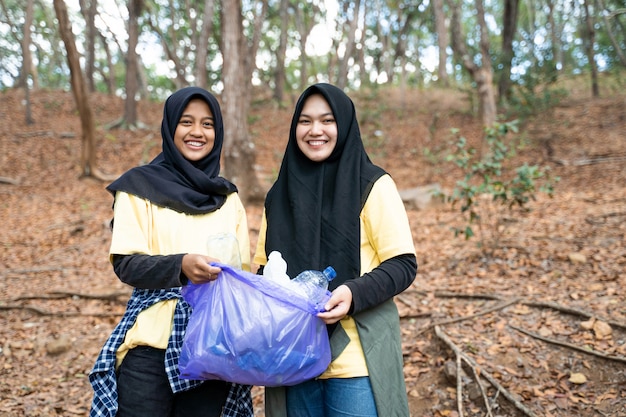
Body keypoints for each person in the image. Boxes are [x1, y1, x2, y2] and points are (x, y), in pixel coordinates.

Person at [253, 83, 418, 417]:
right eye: (305, 121)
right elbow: (263, 269)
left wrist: (352, 293)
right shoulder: (278, 196)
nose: (316, 130)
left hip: (355, 359)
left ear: (343, 126)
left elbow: (402, 264)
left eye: (327, 120)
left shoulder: (372, 185)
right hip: (293, 357)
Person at [89, 86, 253, 417]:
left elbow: (241, 274)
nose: (197, 132)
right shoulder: (138, 188)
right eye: (187, 122)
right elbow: (127, 264)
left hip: (211, 346)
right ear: (170, 127)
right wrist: (181, 266)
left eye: (207, 124)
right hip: (150, 344)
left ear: (217, 132)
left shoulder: (227, 198)